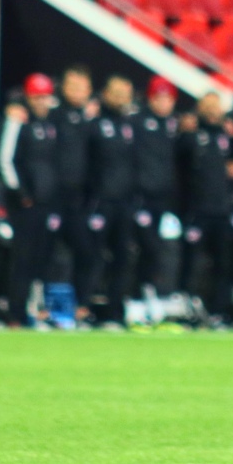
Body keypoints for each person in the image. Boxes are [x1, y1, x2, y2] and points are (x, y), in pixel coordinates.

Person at [0, 73, 62, 326]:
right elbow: (5, 159)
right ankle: (16, 312)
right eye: (37, 97)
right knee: (22, 259)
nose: (41, 102)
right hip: (26, 203)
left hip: (48, 201)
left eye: (45, 97)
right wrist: (21, 193)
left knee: (43, 258)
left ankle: (37, 309)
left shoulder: (51, 123)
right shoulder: (18, 120)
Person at [178, 91, 233, 327]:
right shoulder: (190, 137)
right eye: (208, 106)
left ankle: (218, 311)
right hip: (197, 212)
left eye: (216, 106)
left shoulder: (227, 137)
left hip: (222, 212)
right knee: (192, 262)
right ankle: (188, 307)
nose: (213, 111)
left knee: (223, 264)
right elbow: (179, 171)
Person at [85, 73, 138, 327]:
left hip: (124, 203)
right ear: (105, 94)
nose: (120, 98)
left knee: (122, 258)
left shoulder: (130, 125)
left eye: (124, 94)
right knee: (93, 257)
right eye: (116, 93)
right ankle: (84, 309)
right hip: (100, 202)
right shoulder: (94, 124)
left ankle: (115, 312)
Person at [131, 76, 182, 326]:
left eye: (168, 98)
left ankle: (156, 296)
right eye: (159, 98)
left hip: (166, 200)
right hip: (143, 199)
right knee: (146, 248)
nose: (164, 103)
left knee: (163, 251)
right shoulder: (138, 122)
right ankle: (139, 297)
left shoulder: (174, 126)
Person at [53, 65, 97, 327]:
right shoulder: (53, 115)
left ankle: (81, 307)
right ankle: (44, 309)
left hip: (80, 200)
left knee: (86, 253)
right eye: (73, 86)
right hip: (52, 198)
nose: (78, 92)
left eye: (82, 87)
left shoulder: (91, 120)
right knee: (48, 255)